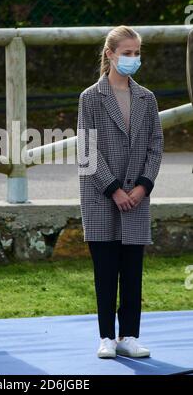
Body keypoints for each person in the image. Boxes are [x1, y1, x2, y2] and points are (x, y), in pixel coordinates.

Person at [77, 25, 164, 358]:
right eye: (127, 53)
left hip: (138, 198)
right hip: (101, 197)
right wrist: (113, 189)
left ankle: (129, 335)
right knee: (105, 268)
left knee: (131, 270)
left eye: (137, 53)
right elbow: (87, 149)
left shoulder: (147, 98)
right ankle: (106, 337)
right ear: (110, 54)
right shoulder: (90, 98)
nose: (133, 59)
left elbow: (156, 145)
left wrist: (143, 186)